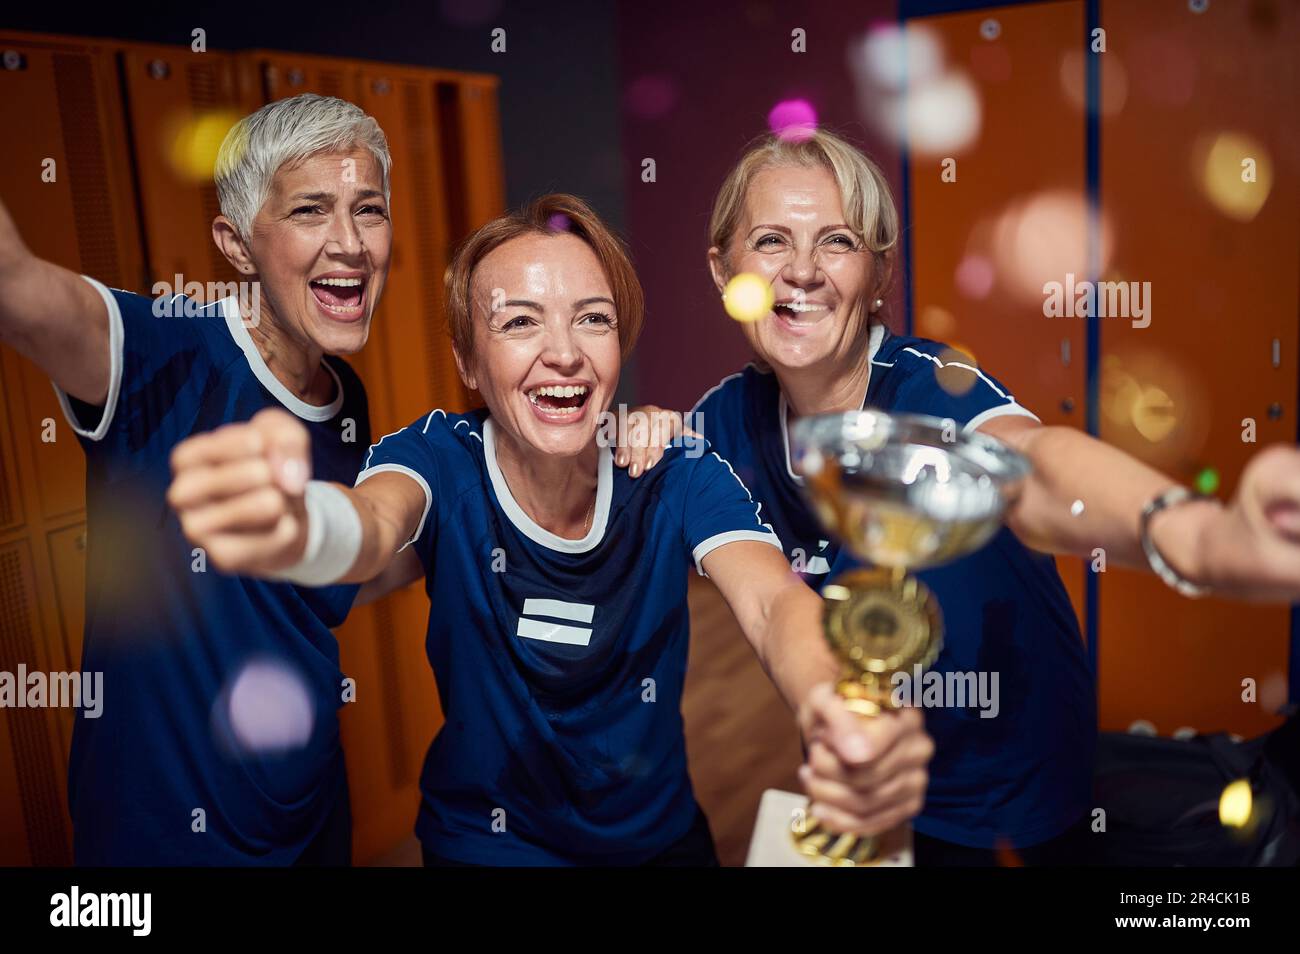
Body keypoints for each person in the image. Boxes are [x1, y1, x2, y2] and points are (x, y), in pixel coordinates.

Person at [166, 193, 935, 865]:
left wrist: (835, 706)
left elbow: (772, 605)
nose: (563, 354)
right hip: (488, 845)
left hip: (658, 841)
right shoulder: (439, 458)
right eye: (520, 323)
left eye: (591, 320)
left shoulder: (671, 468)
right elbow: (372, 527)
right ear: (468, 359)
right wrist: (301, 521)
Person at [623, 129, 1300, 865]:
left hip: (1010, 785)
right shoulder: (723, 420)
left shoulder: (931, 389)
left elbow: (1034, 466)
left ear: (879, 274)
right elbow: (757, 594)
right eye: (772, 241)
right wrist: (644, 429)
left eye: (838, 242)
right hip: (868, 768)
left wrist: (1198, 536)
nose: (804, 271)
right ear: (725, 271)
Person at [0, 92, 394, 864]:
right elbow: (16, 288)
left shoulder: (348, 400)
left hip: (308, 817)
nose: (349, 242)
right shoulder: (157, 348)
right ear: (238, 245)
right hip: (157, 841)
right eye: (311, 210)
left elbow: (313, 593)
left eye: (369, 209)